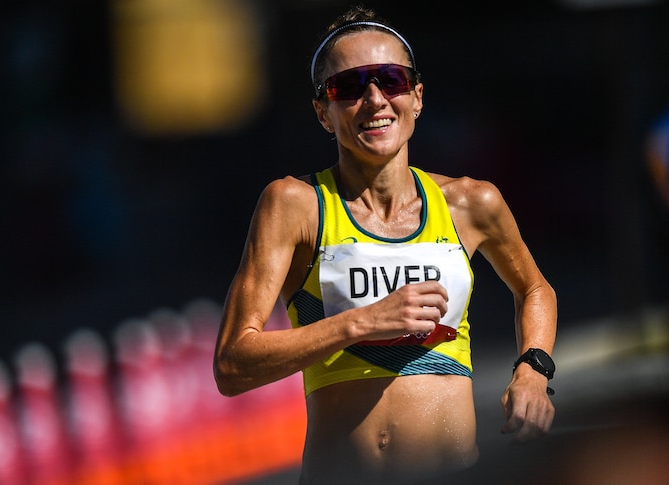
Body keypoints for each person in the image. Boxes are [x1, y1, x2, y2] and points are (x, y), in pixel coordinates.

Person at [213, 6, 557, 484]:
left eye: (391, 80)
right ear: (323, 113)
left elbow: (536, 289)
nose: (374, 100)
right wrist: (363, 322)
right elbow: (232, 364)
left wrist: (533, 371)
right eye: (348, 88)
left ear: (416, 97)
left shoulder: (471, 202)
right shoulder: (295, 206)